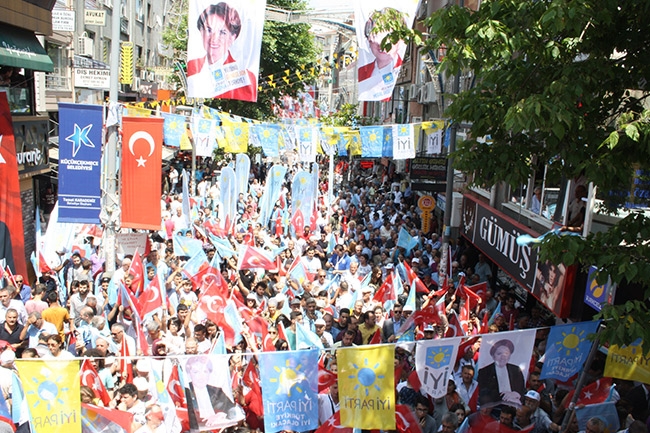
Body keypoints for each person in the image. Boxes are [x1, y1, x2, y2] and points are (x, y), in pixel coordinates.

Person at [186, 2, 257, 101]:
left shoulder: (246, 77)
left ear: (233, 37)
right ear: (201, 31)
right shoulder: (192, 66)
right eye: (209, 30)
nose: (214, 39)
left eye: (222, 32)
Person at [358, 8, 406, 101]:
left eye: (388, 38)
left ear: (401, 41)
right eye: (376, 36)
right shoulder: (363, 71)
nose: (381, 44)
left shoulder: (400, 69)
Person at [185, 355, 242, 430]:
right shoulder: (186, 392)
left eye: (205, 371)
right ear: (189, 373)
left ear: (209, 373)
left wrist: (221, 414)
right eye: (196, 372)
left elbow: (232, 409)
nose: (201, 376)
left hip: (217, 429)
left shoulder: (216, 391)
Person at [478, 339, 526, 406]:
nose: (503, 356)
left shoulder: (516, 370)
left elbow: (522, 389)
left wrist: (516, 394)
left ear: (510, 356)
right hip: (494, 406)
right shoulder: (485, 371)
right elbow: (484, 393)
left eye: (506, 353)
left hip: (515, 404)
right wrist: (505, 397)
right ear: (493, 356)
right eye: (499, 353)